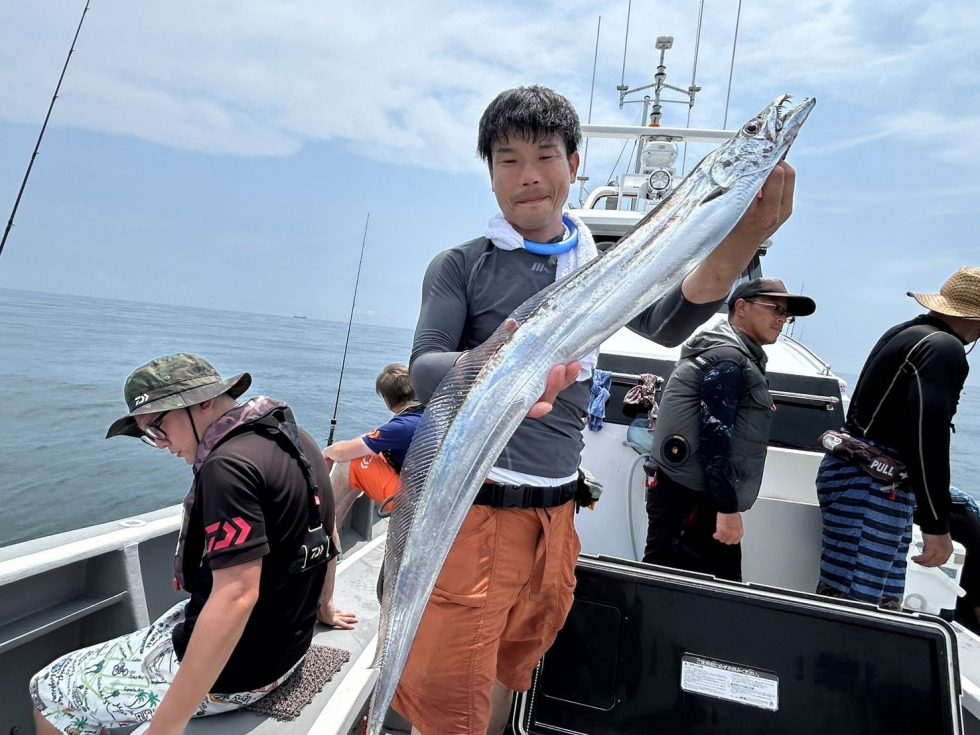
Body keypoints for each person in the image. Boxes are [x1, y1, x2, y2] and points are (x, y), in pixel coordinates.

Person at [399, 85, 798, 735]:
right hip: (477, 515)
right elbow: (425, 366)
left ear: (574, 162)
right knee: (448, 705)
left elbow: (671, 320)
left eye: (544, 154)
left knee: (511, 668)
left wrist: (748, 231)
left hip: (556, 518)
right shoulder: (463, 267)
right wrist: (506, 359)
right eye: (506, 159)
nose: (528, 175)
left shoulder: (600, 268)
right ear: (490, 171)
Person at [30, 353, 345, 734]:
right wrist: (324, 605)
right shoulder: (293, 436)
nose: (161, 444)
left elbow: (236, 597)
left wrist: (166, 727)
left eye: (159, 427)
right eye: (150, 436)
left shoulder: (227, 468)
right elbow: (325, 531)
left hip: (242, 675)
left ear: (204, 402)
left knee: (48, 689)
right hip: (289, 650)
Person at [816, 267, 980, 610]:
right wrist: (936, 525)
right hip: (872, 489)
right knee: (854, 608)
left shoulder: (906, 333)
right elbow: (928, 438)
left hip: (859, 477)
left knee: (877, 604)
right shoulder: (944, 349)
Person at [643, 278, 816, 581]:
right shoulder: (727, 359)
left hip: (692, 497)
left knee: (691, 589)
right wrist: (726, 510)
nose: (782, 319)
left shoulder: (736, 357)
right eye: (775, 308)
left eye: (786, 314)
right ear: (741, 307)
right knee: (677, 589)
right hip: (695, 502)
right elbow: (715, 437)